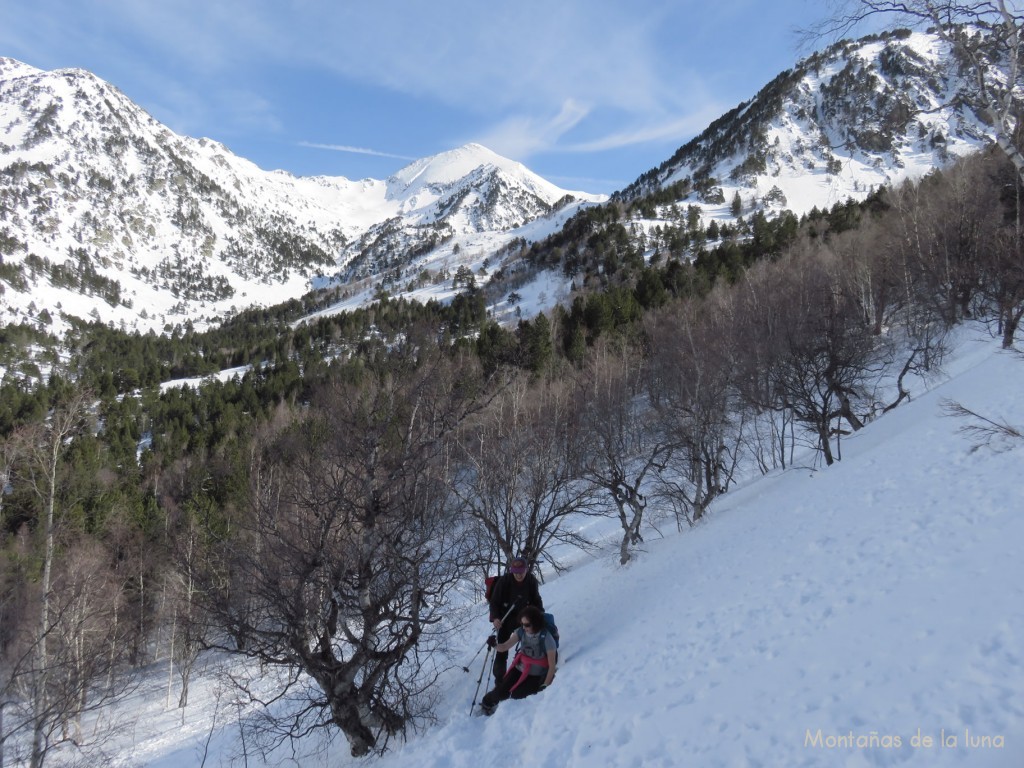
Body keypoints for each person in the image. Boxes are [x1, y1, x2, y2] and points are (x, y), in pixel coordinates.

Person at [480, 605, 556, 715]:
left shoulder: (547, 638)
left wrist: (545, 685)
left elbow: (552, 665)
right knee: (501, 692)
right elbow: (505, 646)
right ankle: (486, 702)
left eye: (527, 625)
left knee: (517, 695)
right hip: (519, 668)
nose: (524, 627)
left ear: (536, 623)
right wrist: (495, 645)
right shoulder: (521, 632)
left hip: (536, 675)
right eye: (522, 624)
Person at [488, 556, 543, 683]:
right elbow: (494, 602)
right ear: (512, 571)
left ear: (526, 569)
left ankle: (531, 671)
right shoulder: (504, 581)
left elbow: (536, 600)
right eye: (516, 572)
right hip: (504, 618)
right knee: (502, 649)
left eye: (521, 572)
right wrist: (496, 618)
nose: (518, 575)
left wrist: (540, 614)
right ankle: (499, 680)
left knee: (530, 642)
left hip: (523, 618)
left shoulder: (531, 581)